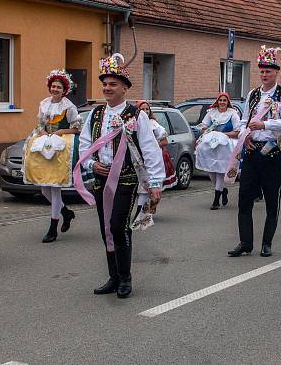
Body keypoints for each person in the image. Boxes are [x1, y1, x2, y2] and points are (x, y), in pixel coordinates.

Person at [75, 53, 165, 298]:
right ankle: (113, 277)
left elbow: (150, 149)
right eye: (105, 84)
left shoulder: (137, 116)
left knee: (118, 226)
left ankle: (125, 278)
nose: (107, 88)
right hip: (102, 180)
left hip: (127, 179)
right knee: (106, 227)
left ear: (125, 88)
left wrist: (155, 182)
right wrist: (91, 165)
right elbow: (84, 145)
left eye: (113, 84)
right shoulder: (94, 115)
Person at [227, 46, 281, 258]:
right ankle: (245, 243)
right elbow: (244, 119)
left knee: (271, 201)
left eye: (269, 71)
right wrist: (245, 135)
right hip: (252, 152)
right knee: (244, 199)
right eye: (262, 71)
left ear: (276, 72)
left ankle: (267, 243)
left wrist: (265, 125)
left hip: (272, 154)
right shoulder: (253, 94)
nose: (265, 75)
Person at [23, 69, 82, 243]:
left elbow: (76, 128)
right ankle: (66, 212)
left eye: (59, 87)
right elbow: (40, 124)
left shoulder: (69, 106)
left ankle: (52, 229)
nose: (55, 89)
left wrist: (61, 131)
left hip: (60, 148)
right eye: (53, 86)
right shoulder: (44, 104)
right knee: (44, 189)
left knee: (55, 188)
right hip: (44, 145)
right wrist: (42, 133)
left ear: (64, 90)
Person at [194, 92, 241, 210]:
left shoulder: (233, 114)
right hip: (211, 145)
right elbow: (203, 126)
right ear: (217, 101)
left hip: (226, 145)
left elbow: (237, 132)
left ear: (228, 102)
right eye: (220, 100)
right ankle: (222, 190)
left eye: (225, 100)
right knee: (211, 171)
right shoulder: (212, 113)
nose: (222, 102)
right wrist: (208, 129)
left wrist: (223, 134)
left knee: (220, 171)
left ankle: (216, 201)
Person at [135, 102, 177, 214]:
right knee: (142, 187)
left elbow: (164, 141)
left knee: (151, 185)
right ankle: (144, 211)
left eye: (147, 109)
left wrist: (151, 148)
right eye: (142, 109)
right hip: (138, 159)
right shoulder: (134, 123)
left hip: (152, 158)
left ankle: (145, 211)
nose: (145, 111)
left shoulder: (153, 124)